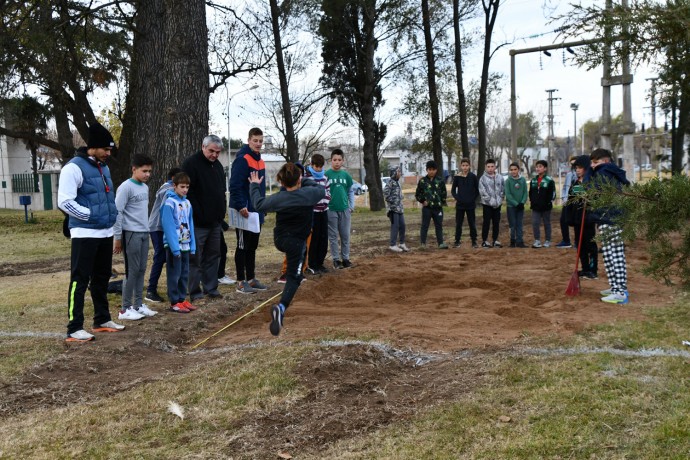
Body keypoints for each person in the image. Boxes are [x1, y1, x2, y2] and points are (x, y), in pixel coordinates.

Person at [58, 122, 124, 342]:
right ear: (93, 147)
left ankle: (102, 319)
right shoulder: (73, 167)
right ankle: (74, 327)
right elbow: (64, 202)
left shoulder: (103, 167)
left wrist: (109, 219)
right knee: (80, 279)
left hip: (104, 233)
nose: (108, 153)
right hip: (84, 234)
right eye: (105, 149)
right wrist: (89, 215)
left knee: (102, 277)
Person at [249, 165, 326, 336]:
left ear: (281, 182)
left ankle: (282, 307)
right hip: (296, 242)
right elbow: (320, 189)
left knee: (297, 265)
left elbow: (258, 204)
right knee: (295, 277)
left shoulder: (279, 198)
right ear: (299, 179)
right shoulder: (308, 194)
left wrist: (254, 185)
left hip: (280, 240)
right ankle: (281, 307)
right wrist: (302, 178)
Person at [113, 153, 157, 320]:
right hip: (130, 234)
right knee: (131, 271)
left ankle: (138, 305)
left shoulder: (145, 187)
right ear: (134, 169)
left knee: (141, 269)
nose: (147, 174)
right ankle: (125, 309)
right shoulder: (125, 187)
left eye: (149, 171)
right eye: (144, 171)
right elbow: (118, 212)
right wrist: (117, 237)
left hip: (144, 233)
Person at [182, 135, 226, 301]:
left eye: (217, 152)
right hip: (198, 222)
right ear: (203, 147)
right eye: (211, 151)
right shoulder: (191, 164)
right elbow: (188, 192)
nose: (214, 155)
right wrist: (198, 213)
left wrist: (221, 213)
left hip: (215, 222)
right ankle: (194, 291)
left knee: (214, 255)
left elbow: (221, 190)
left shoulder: (218, 166)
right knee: (195, 258)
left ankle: (211, 288)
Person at [230, 127, 268, 293]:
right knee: (242, 246)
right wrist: (240, 205)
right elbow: (235, 186)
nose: (258, 144)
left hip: (256, 210)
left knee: (252, 246)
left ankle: (251, 279)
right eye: (255, 140)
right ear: (249, 140)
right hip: (244, 211)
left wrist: (263, 206)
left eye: (260, 141)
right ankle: (240, 281)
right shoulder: (242, 159)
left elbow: (261, 188)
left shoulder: (261, 161)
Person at [589, 148, 630, 304]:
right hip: (610, 216)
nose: (592, 165)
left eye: (595, 162)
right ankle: (617, 288)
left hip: (609, 217)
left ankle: (619, 292)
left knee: (613, 255)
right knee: (612, 254)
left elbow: (593, 190)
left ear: (605, 161)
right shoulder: (609, 172)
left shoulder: (604, 172)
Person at [161, 172, 197, 313]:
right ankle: (174, 301)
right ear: (174, 186)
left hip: (186, 244)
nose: (185, 190)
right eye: (182, 186)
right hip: (173, 246)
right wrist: (174, 248)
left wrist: (192, 245)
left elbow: (191, 224)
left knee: (184, 273)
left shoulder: (187, 203)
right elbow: (168, 226)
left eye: (187, 187)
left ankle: (182, 299)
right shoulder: (169, 203)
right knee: (174, 274)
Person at [146, 167, 182, 303]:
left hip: (169, 228)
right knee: (160, 257)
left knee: (171, 257)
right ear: (173, 179)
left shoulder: (174, 189)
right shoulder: (167, 189)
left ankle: (173, 288)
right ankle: (151, 290)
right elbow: (166, 196)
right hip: (157, 227)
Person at [565, 155, 598, 280]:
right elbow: (571, 200)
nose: (577, 170)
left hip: (588, 219)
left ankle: (593, 270)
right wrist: (570, 217)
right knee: (580, 244)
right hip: (578, 219)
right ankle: (585, 268)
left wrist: (588, 202)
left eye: (580, 168)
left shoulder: (592, 183)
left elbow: (594, 199)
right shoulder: (576, 183)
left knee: (590, 245)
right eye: (576, 168)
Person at [325, 148, 355, 268]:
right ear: (331, 161)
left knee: (345, 235)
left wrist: (351, 206)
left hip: (344, 209)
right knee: (333, 236)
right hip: (331, 209)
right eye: (334, 160)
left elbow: (350, 192)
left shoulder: (346, 175)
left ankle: (346, 258)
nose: (337, 162)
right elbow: (323, 191)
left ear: (342, 161)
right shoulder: (326, 175)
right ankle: (336, 260)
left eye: (339, 160)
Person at [305, 154, 332, 273]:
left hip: (323, 211)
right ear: (311, 165)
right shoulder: (306, 177)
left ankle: (320, 263)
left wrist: (325, 202)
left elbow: (328, 192)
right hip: (312, 212)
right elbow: (306, 193)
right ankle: (312, 263)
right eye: (316, 166)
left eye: (320, 167)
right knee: (314, 238)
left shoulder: (325, 178)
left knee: (323, 237)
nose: (318, 169)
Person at [415, 160, 449, 249]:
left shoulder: (440, 181)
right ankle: (422, 244)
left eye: (433, 169)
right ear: (427, 170)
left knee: (439, 226)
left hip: (438, 208)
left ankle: (440, 243)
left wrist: (441, 202)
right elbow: (417, 194)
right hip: (427, 209)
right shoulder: (422, 181)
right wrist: (422, 201)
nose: (431, 171)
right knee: (425, 226)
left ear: (436, 170)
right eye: (429, 169)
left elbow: (444, 193)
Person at [451, 157, 479, 248]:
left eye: (467, 165)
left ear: (469, 166)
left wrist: (472, 199)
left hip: (470, 205)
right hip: (460, 205)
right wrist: (457, 198)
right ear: (461, 166)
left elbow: (477, 190)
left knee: (472, 223)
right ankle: (457, 241)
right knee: (459, 223)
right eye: (463, 165)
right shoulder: (457, 177)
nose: (465, 167)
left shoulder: (473, 177)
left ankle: (474, 241)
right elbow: (453, 190)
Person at [478, 158, 505, 248]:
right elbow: (482, 192)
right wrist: (491, 201)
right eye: (488, 167)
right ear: (486, 167)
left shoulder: (500, 177)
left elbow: (502, 189)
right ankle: (484, 240)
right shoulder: (482, 179)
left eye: (492, 166)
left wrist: (499, 199)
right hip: (487, 204)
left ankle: (495, 240)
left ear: (495, 167)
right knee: (486, 222)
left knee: (496, 222)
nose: (490, 168)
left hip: (498, 205)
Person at [529, 159, 556, 248]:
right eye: (537, 167)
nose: (538, 168)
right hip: (535, 207)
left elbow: (553, 194)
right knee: (535, 223)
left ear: (545, 168)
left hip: (546, 207)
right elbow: (530, 193)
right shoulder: (533, 180)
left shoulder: (549, 180)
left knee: (546, 223)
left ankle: (547, 240)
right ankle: (537, 240)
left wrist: (548, 203)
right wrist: (532, 202)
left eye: (540, 167)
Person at [384, 165, 408, 252]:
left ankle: (402, 243)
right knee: (395, 226)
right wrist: (393, 202)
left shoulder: (398, 182)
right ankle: (392, 244)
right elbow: (386, 195)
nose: (400, 173)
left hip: (400, 209)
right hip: (393, 209)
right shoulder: (390, 182)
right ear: (394, 173)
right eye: (398, 171)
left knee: (402, 225)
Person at [505, 162, 528, 248]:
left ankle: (520, 241)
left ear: (518, 170)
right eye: (511, 170)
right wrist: (516, 203)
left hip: (520, 206)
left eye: (515, 169)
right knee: (512, 224)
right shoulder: (508, 181)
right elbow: (508, 194)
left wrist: (522, 202)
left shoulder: (523, 180)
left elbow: (525, 193)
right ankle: (512, 241)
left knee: (519, 224)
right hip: (511, 207)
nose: (513, 171)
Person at [557, 156, 578, 248]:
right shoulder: (569, 175)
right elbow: (565, 187)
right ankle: (566, 241)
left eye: (575, 163)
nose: (573, 165)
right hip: (567, 201)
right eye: (571, 163)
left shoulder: (580, 175)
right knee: (563, 220)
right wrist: (564, 198)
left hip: (577, 201)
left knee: (577, 221)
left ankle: (577, 242)